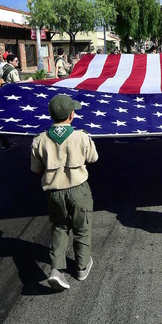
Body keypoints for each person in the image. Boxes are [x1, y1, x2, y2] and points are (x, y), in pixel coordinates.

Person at [31, 94, 99, 290]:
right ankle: (82, 266)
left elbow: (36, 168)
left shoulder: (39, 140)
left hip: (54, 192)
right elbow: (93, 158)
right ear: (71, 115)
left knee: (60, 228)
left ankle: (56, 270)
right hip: (79, 190)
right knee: (82, 228)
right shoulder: (81, 136)